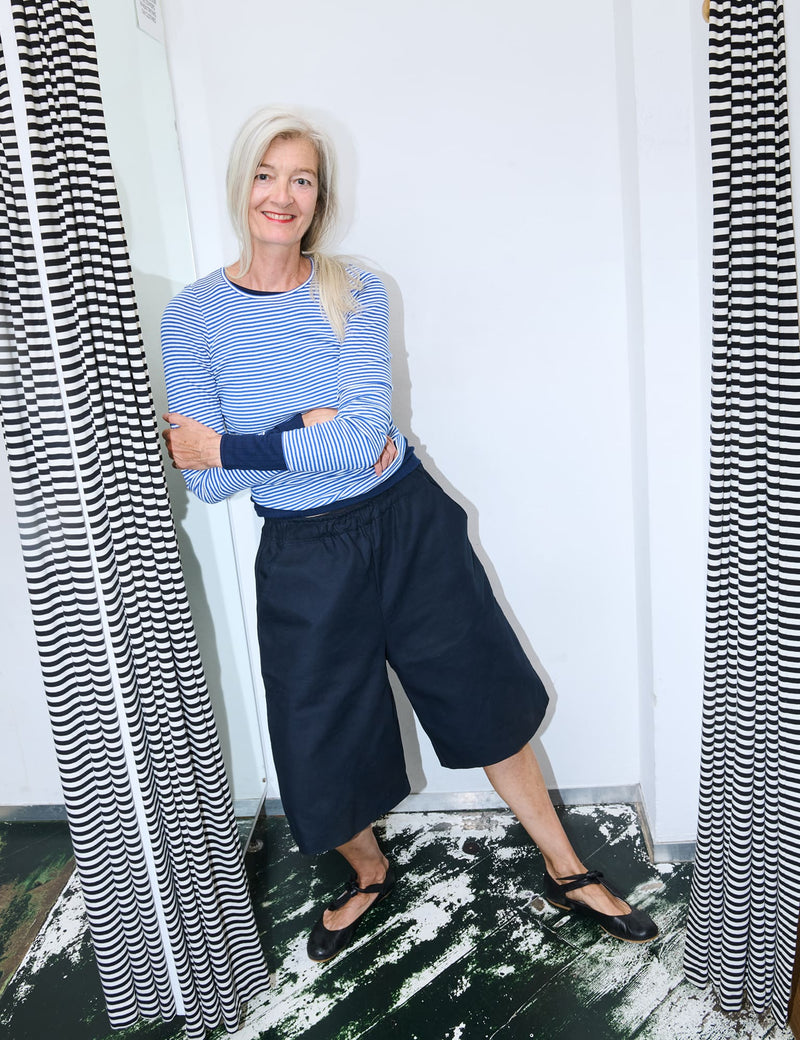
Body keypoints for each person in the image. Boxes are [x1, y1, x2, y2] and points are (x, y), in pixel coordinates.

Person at [160, 106, 658, 962]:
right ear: (241, 184)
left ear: (321, 197)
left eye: (302, 179)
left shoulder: (355, 289)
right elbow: (203, 480)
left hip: (406, 524)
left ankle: (566, 866)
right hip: (303, 552)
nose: (282, 195)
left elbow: (359, 442)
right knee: (319, 741)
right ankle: (368, 871)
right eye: (267, 175)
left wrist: (247, 442)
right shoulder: (193, 316)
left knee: (482, 697)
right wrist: (303, 425)